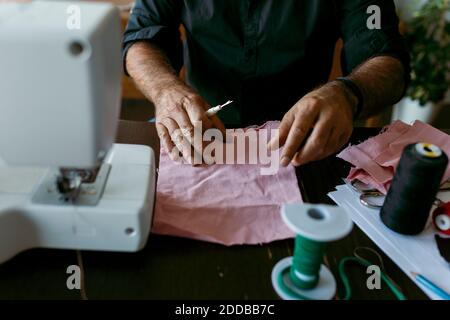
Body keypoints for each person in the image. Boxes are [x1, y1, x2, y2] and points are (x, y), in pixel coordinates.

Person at [123, 0, 409, 167]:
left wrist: (347, 94)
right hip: (200, 128)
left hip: (303, 140)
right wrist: (165, 89)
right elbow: (142, 36)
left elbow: (387, 59)